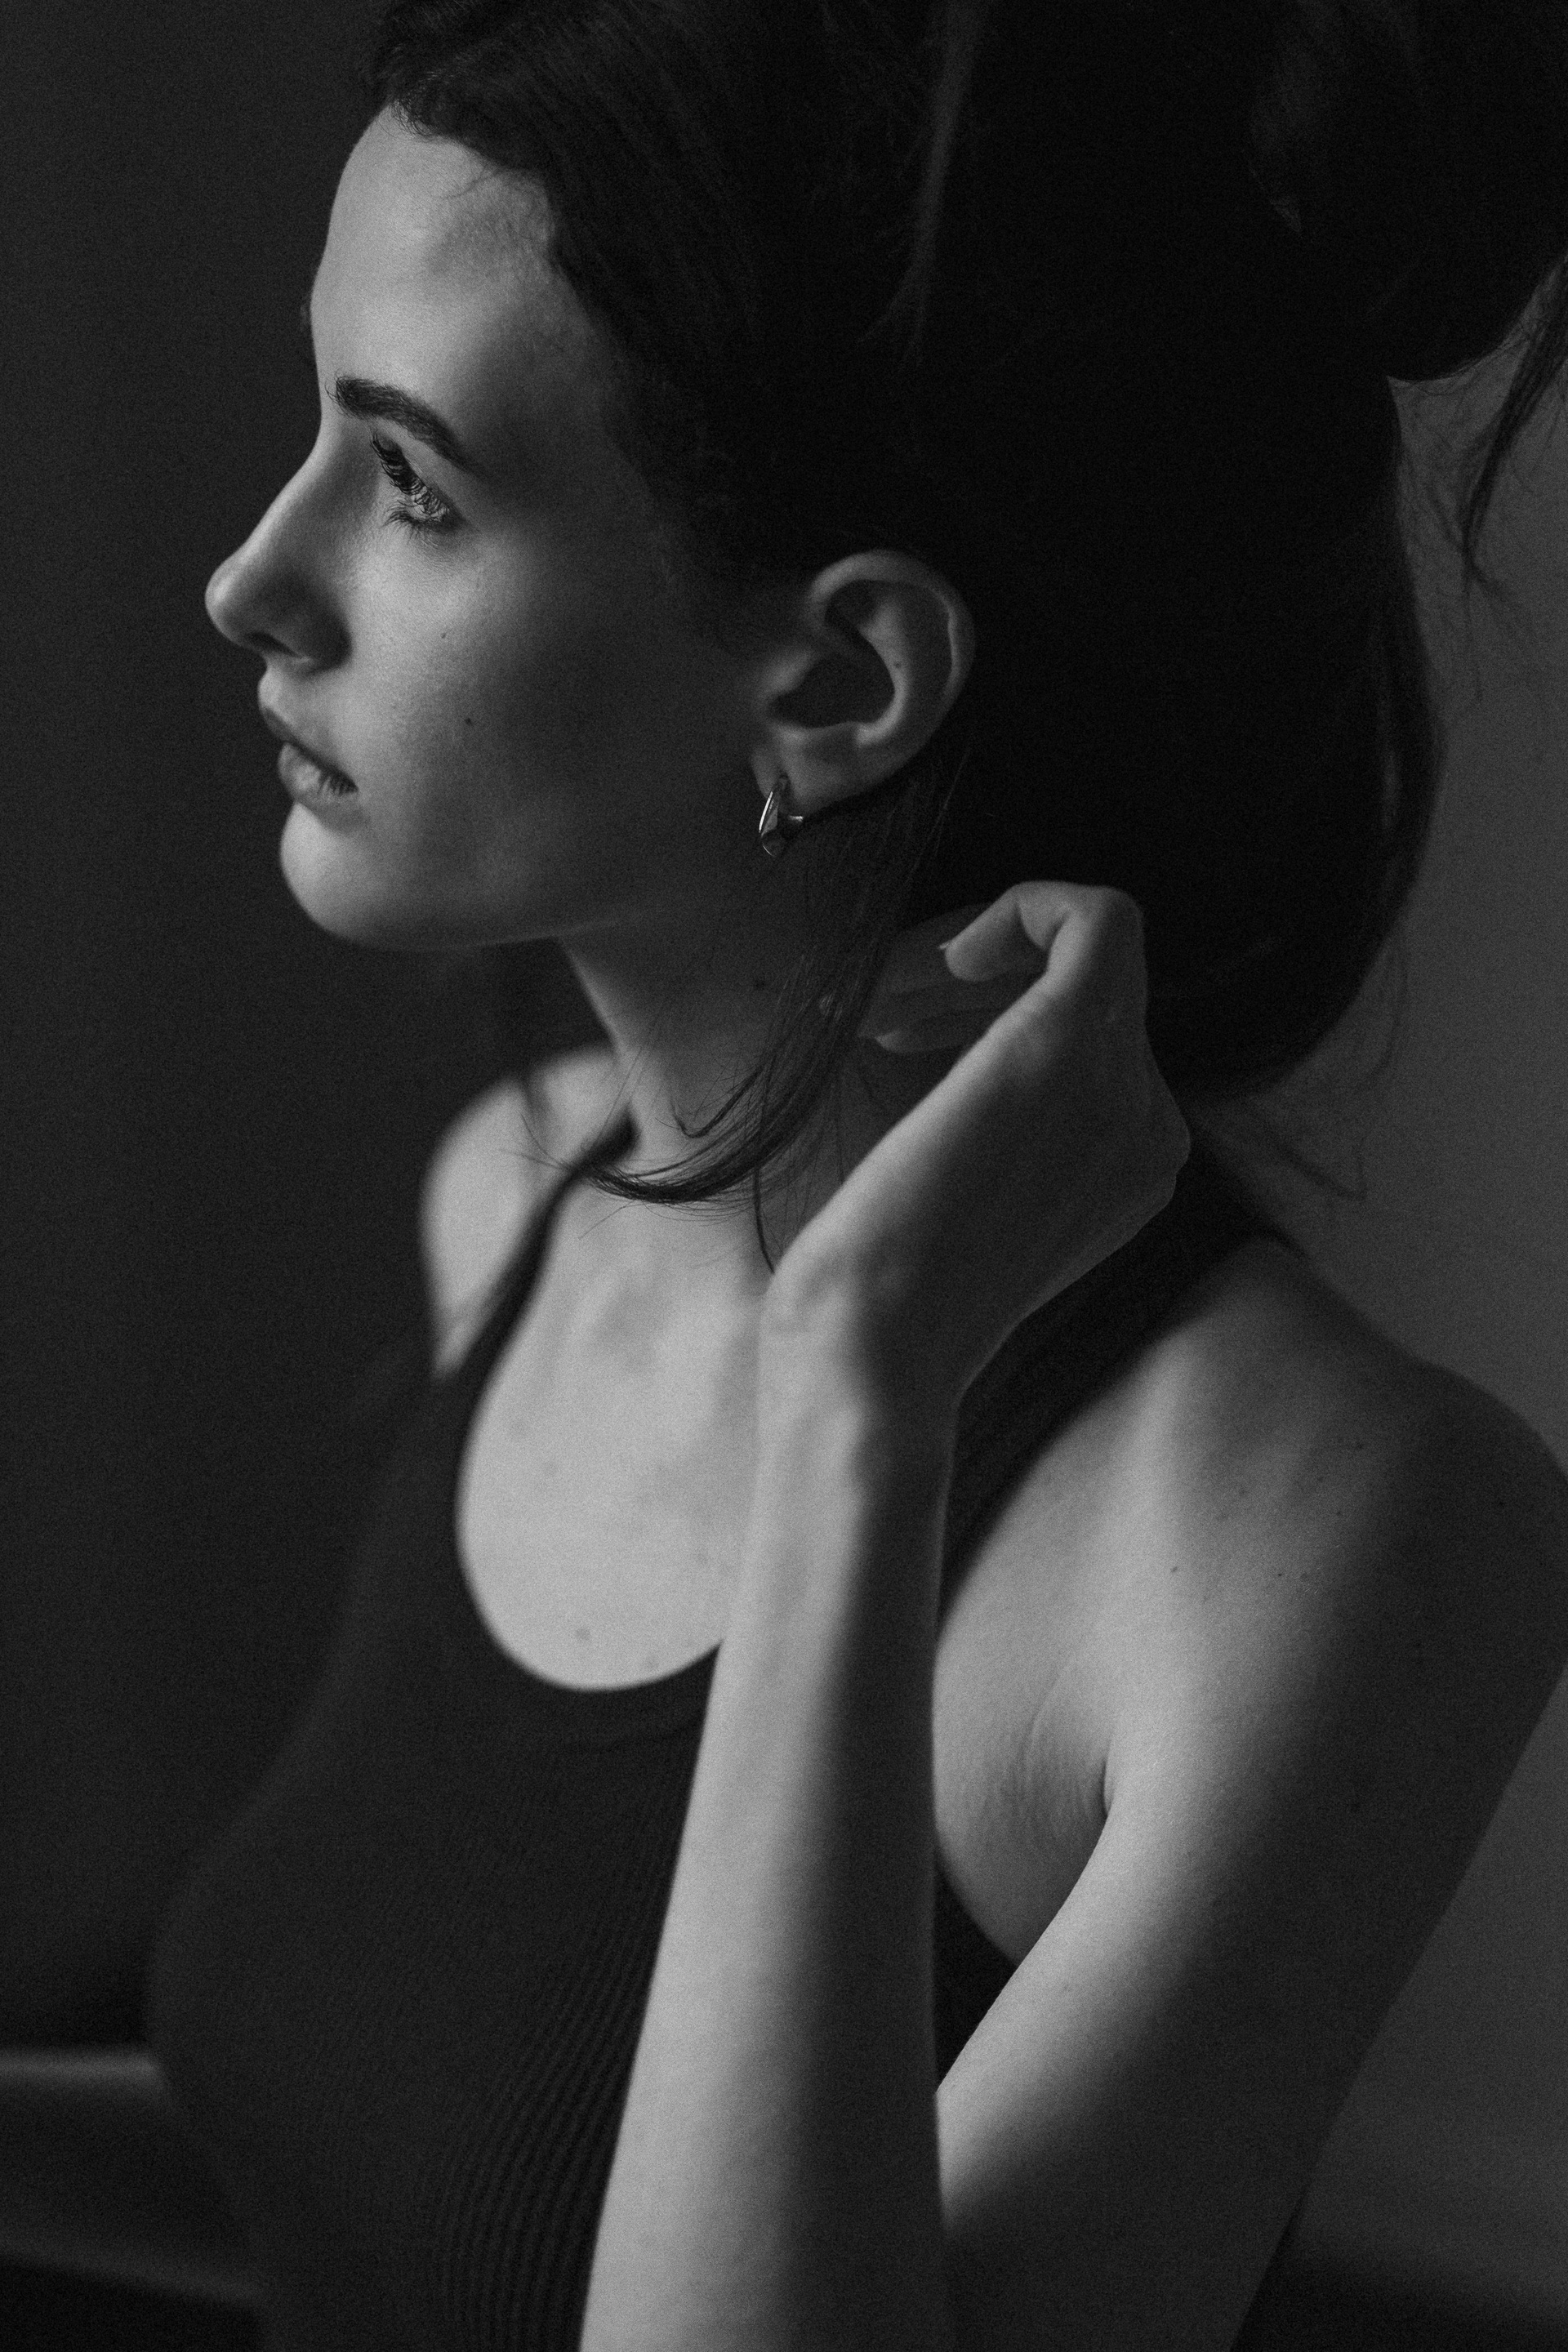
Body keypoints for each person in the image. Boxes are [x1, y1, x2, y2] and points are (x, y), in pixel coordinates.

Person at [141, 2, 1568, 2346]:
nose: (246, 578)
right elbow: (382, 2199)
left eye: (407, 484)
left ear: (840, 684)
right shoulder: (519, 1205)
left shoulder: (1347, 1536)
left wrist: (860, 1385)